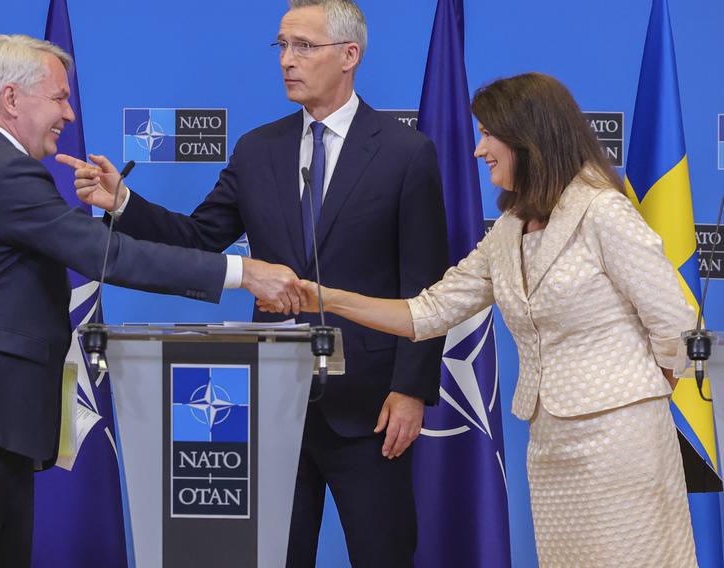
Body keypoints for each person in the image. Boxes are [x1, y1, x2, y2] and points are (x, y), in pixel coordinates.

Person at [57, 1, 448, 565]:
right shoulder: (257, 148)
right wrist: (121, 201)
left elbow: (425, 285)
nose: (287, 60)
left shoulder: (406, 153)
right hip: (273, 404)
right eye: (282, 46)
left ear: (349, 55)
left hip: (370, 406)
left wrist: (411, 389)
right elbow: (197, 238)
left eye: (303, 47)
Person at [0, 34, 298, 568]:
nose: (69, 112)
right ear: (12, 99)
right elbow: (111, 256)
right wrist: (242, 272)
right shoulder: (3, 171)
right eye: (58, 97)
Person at [283, 72, 698, 567]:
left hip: (624, 444)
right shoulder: (510, 228)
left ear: (529, 137)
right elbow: (428, 312)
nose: (479, 151)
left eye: (487, 135)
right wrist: (326, 298)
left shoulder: (602, 212)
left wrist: (638, 401)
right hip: (551, 445)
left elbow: (677, 323)